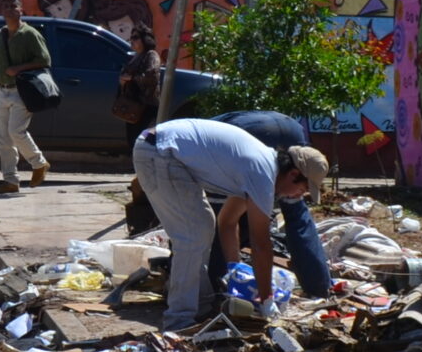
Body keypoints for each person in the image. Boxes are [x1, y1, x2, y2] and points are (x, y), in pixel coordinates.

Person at [131, 117, 326, 333]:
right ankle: (179, 322)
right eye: (304, 189)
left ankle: (201, 308)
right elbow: (261, 243)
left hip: (160, 147)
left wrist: (234, 269)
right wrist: (267, 299)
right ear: (293, 174)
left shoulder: (259, 169)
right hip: (160, 152)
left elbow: (227, 222)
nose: (300, 196)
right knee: (192, 235)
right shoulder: (262, 174)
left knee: (204, 225)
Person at [210, 110, 332, 299]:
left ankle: (218, 284)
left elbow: (225, 221)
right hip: (292, 131)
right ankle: (319, 287)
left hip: (253, 132)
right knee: (296, 213)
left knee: (218, 214)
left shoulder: (213, 129)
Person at [0, 0, 52, 195]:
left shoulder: (30, 34)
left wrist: (19, 68)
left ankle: (39, 163)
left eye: (13, 6)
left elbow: (44, 60)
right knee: (3, 138)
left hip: (21, 91)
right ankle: (10, 180)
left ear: (21, 10)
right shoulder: (1, 34)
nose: (9, 10)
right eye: (5, 6)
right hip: (3, 91)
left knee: (16, 131)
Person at [113, 24, 162, 145]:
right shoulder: (135, 57)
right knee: (132, 141)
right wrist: (122, 81)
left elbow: (151, 76)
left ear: (145, 39)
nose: (132, 41)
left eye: (135, 37)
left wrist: (132, 78)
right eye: (131, 38)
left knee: (143, 143)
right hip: (132, 107)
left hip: (146, 107)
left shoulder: (151, 55)